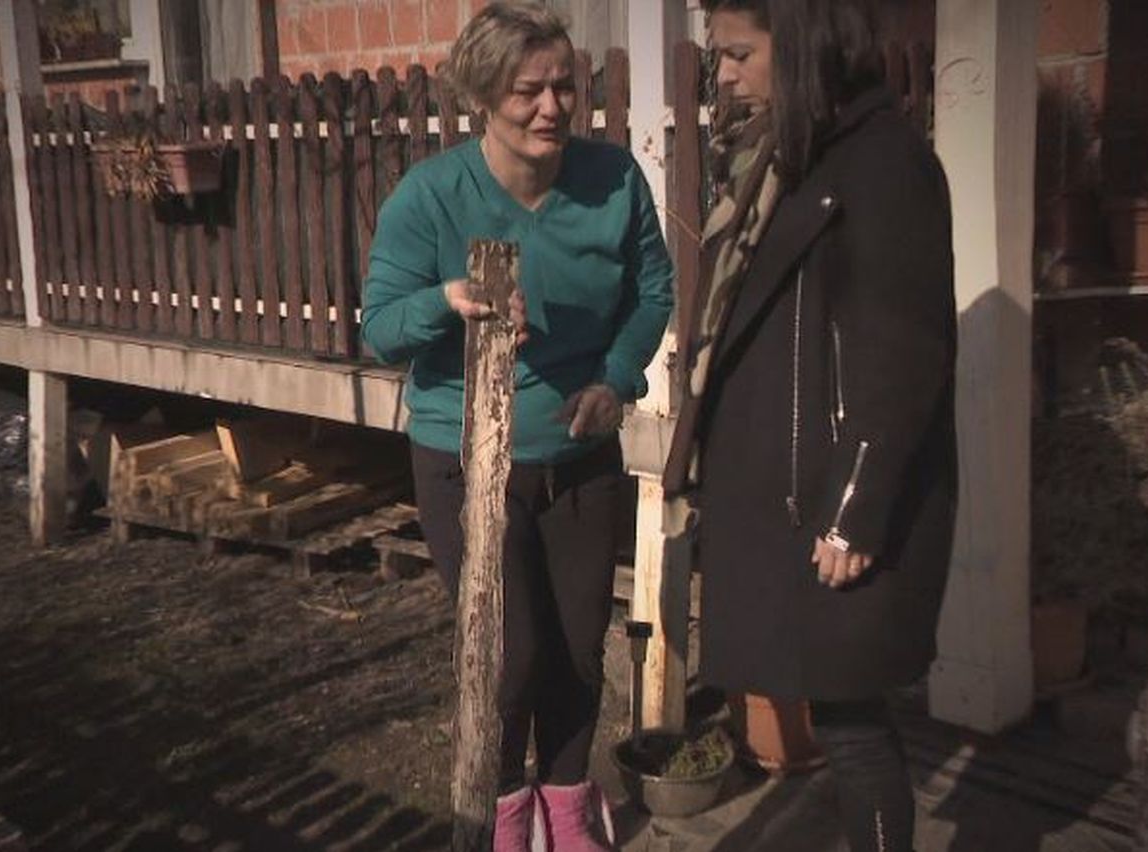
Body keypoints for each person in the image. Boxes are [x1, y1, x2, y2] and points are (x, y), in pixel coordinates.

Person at [360, 2, 674, 849]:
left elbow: (653, 292)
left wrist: (615, 381)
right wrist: (446, 301)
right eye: (527, 91)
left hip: (580, 457)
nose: (551, 107)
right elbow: (379, 327)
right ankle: (499, 812)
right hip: (467, 461)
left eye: (564, 87)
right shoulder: (433, 196)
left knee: (576, 649)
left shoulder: (613, 180)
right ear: (480, 97)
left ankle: (567, 811)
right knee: (511, 655)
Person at [663, 1, 956, 850]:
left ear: (802, 45)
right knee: (837, 717)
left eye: (739, 54)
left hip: (831, 499)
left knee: (855, 727)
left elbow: (906, 349)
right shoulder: (788, 156)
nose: (723, 75)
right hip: (786, 491)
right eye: (719, 57)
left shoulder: (884, 162)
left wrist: (854, 507)